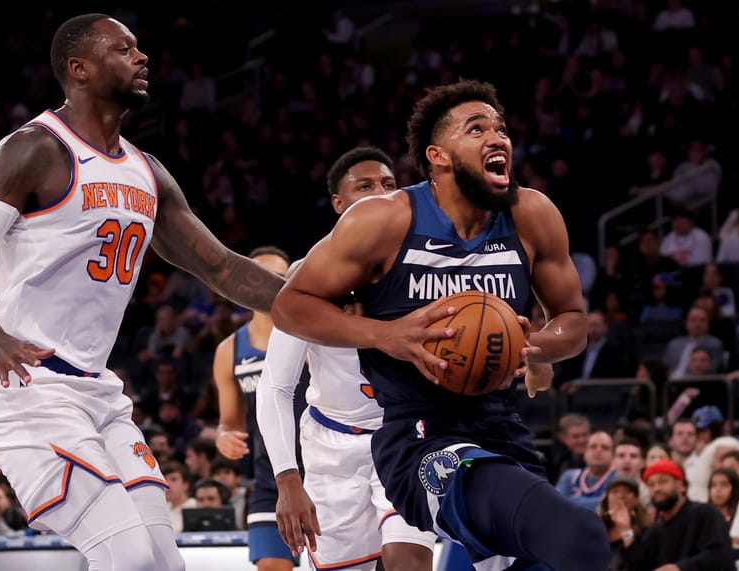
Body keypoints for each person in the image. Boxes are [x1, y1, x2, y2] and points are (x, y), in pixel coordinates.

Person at [0, 13, 285, 571]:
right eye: (124, 49)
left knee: (166, 563)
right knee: (129, 558)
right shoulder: (34, 150)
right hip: (25, 385)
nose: (142, 58)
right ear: (80, 68)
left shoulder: (148, 171)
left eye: (139, 49)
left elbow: (223, 269)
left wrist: (327, 298)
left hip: (97, 393)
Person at [271, 79, 610, 570]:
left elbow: (574, 321)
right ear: (438, 156)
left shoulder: (531, 214)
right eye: (477, 129)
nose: (498, 138)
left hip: (500, 427)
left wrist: (532, 345)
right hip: (420, 435)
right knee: (577, 533)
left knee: (571, 553)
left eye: (501, 129)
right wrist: (388, 335)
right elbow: (290, 306)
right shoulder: (385, 221)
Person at [256, 147, 438, 571]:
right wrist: (287, 479)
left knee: (408, 560)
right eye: (365, 186)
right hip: (331, 448)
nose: (380, 193)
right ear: (338, 204)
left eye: (390, 185)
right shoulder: (307, 276)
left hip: (404, 434)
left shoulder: (424, 266)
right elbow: (276, 385)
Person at [212, 245, 303, 570]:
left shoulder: (312, 332)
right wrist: (224, 437)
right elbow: (230, 423)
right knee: (270, 565)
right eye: (260, 276)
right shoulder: (229, 350)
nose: (268, 283)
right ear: (243, 285)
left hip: (324, 468)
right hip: (272, 477)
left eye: (278, 277)